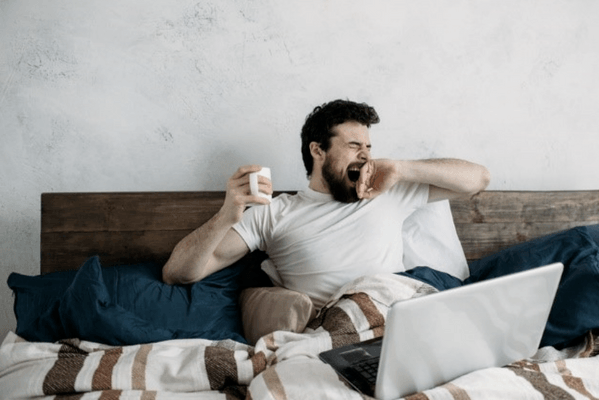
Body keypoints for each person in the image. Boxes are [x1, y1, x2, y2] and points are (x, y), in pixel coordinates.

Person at [162, 99, 490, 309]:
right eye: (353, 145)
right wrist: (225, 216)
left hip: (401, 319)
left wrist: (403, 168)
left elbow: (479, 179)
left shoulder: (387, 190)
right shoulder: (274, 214)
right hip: (337, 333)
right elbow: (178, 274)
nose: (366, 155)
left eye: (369, 146)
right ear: (318, 151)